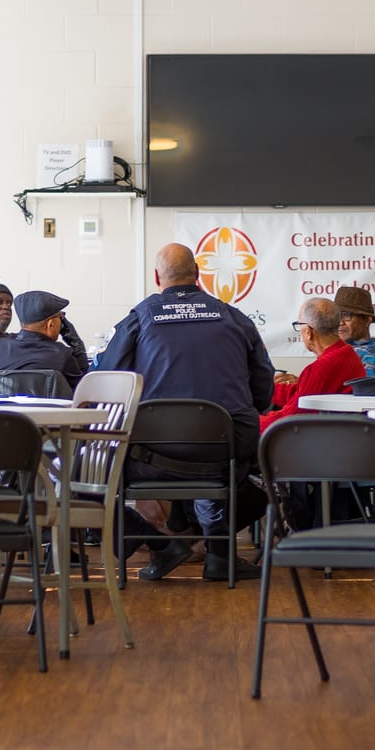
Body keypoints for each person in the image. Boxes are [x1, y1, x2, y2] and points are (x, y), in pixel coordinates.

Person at [98, 242, 276, 581]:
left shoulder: (139, 318)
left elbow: (109, 378)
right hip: (225, 452)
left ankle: (157, 544)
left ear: (156, 277)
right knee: (231, 463)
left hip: (150, 458)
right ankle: (220, 557)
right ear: (198, 276)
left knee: (82, 470)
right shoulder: (233, 316)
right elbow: (263, 386)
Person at [258, 298, 367, 430]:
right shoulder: (346, 353)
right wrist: (261, 389)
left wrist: (247, 423)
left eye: (299, 326)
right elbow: (301, 395)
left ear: (309, 332)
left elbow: (289, 421)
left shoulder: (322, 367)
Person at [0, 290, 89, 390]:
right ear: (51, 324)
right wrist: (77, 346)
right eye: (61, 317)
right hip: (45, 414)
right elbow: (86, 391)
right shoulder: (61, 355)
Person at [332, 285, 375, 379]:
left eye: (346, 316)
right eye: (337, 316)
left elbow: (368, 388)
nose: (340, 322)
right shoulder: (334, 351)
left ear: (367, 320)